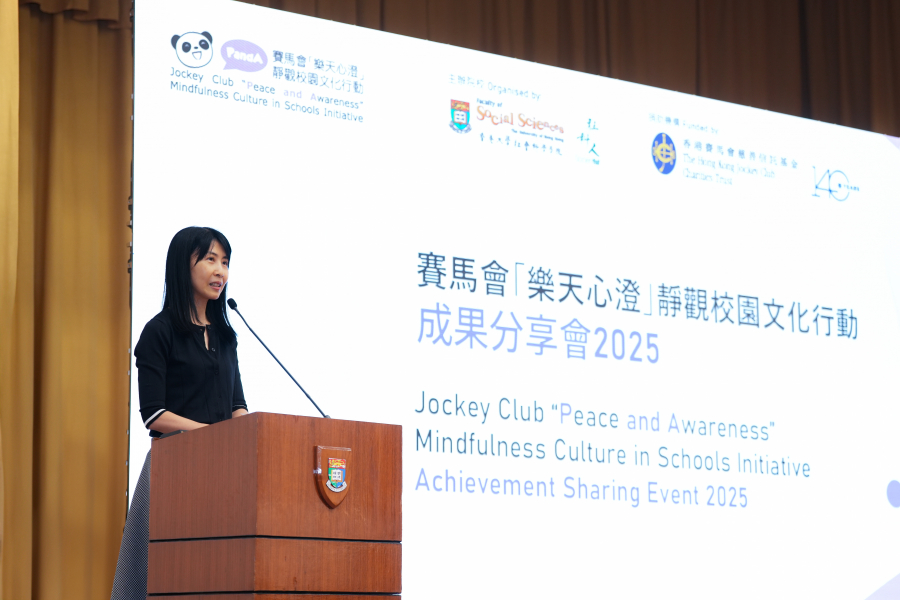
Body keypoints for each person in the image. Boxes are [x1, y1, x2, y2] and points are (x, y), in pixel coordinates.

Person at [110, 226, 248, 600]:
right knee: (161, 577)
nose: (220, 271)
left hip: (222, 473)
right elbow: (154, 414)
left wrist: (246, 436)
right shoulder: (159, 332)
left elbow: (237, 406)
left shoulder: (226, 337)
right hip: (173, 470)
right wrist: (211, 434)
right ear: (183, 266)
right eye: (210, 259)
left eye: (225, 262)